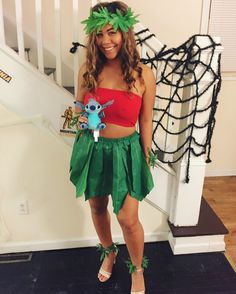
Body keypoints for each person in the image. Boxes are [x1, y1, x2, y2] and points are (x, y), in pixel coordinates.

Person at [70, 1, 156, 293]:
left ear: (125, 33)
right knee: (97, 206)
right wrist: (79, 121)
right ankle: (109, 251)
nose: (106, 41)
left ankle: (137, 269)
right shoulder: (88, 69)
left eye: (112, 32)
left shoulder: (143, 74)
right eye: (99, 34)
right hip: (93, 148)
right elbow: (78, 108)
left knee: (128, 219)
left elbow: (145, 121)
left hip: (127, 151)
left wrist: (144, 156)